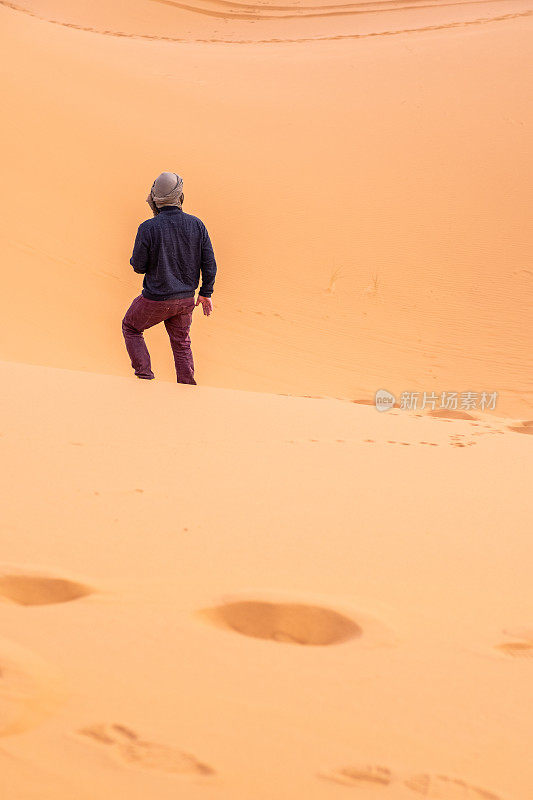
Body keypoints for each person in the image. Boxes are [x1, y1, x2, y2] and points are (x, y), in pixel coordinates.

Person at [122, 172, 217, 384]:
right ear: (180, 196)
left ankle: (144, 378)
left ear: (155, 198)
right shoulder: (197, 225)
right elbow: (209, 263)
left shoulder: (148, 228)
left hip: (155, 299)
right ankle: (187, 388)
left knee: (130, 327)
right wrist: (205, 293)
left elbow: (138, 267)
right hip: (185, 301)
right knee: (181, 343)